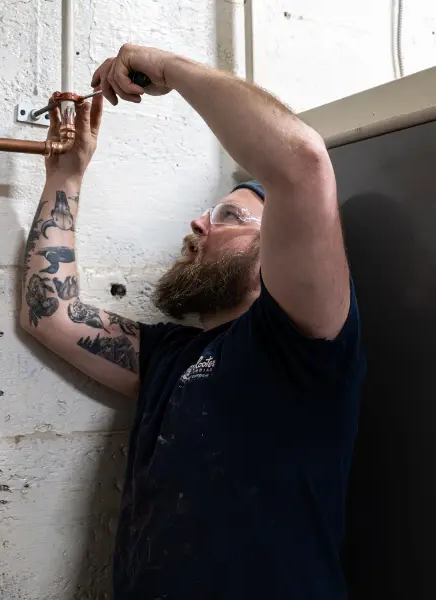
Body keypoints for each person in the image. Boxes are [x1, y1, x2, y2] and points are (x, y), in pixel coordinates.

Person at [19, 44, 365, 599]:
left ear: (270, 251)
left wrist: (170, 70)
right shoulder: (169, 355)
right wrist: (66, 176)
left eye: (229, 216)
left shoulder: (300, 342)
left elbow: (301, 161)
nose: (198, 222)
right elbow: (49, 312)